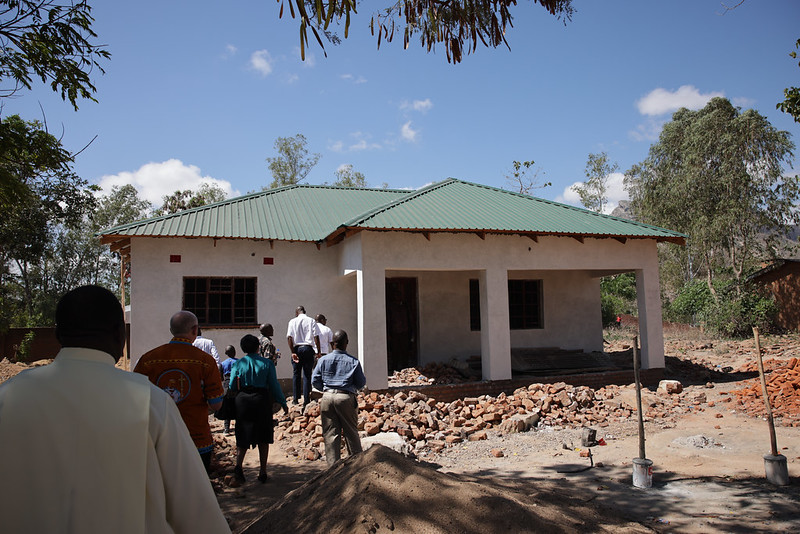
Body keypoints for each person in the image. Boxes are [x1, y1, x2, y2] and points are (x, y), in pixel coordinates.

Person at [0, 286, 230, 534]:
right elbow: (196, 514)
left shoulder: (8, 397)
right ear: (121, 334)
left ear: (57, 334)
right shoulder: (150, 402)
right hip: (197, 436)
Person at [135, 310, 225, 473]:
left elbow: (135, 399)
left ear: (171, 330)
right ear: (195, 329)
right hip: (196, 438)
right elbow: (216, 403)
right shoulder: (205, 361)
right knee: (196, 491)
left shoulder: (148, 359)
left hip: (158, 438)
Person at [229, 334, 288, 483]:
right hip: (261, 400)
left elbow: (231, 386)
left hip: (242, 400)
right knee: (263, 435)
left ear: (243, 348)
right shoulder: (267, 364)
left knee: (242, 434)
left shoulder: (237, 364)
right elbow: (274, 385)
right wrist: (283, 402)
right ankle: (262, 471)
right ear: (258, 347)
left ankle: (238, 468)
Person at [311, 329, 366, 466]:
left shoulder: (323, 360)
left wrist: (325, 389)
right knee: (351, 433)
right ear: (346, 343)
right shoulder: (353, 361)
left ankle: (332, 470)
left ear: (332, 344)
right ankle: (356, 466)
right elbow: (361, 383)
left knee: (330, 435)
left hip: (327, 397)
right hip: (345, 397)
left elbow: (315, 381)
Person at [286, 306, 320, 408]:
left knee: (296, 373)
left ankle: (295, 399)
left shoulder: (292, 321)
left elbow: (289, 337)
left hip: (297, 349)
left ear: (297, 312)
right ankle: (306, 400)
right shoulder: (311, 321)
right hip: (308, 348)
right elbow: (316, 336)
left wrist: (292, 352)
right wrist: (318, 351)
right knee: (307, 374)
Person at [220, 345, 239, 434]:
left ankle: (226, 428)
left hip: (226, 384)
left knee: (227, 406)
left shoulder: (223, 364)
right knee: (237, 406)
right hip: (237, 384)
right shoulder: (239, 362)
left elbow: (221, 377)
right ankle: (238, 427)